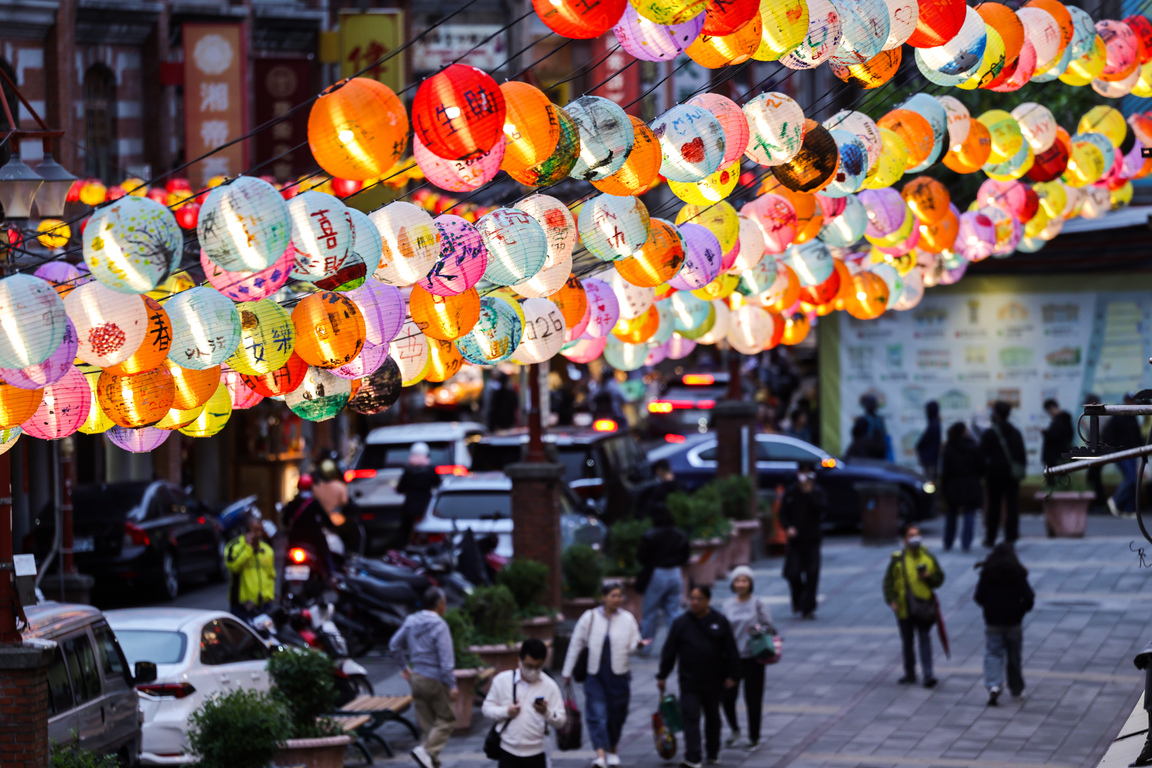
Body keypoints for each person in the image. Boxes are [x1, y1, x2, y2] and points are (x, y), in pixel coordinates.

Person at [562, 582, 649, 768]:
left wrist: (639, 646)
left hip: (619, 675)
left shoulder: (627, 619)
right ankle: (600, 754)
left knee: (617, 715)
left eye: (619, 596)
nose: (617, 599)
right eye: (613, 595)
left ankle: (613, 749)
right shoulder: (590, 617)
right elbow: (576, 644)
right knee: (597, 714)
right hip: (595, 675)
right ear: (604, 597)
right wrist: (566, 671)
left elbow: (632, 647)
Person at [657, 585, 740, 768]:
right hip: (689, 681)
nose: (694, 602)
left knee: (713, 717)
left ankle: (712, 752)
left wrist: (733, 675)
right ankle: (693, 757)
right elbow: (669, 651)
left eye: (699, 599)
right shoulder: (681, 623)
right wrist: (662, 674)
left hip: (714, 680)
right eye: (691, 598)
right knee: (691, 717)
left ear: (708, 601)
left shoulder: (719, 621)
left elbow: (731, 650)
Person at [389, 587, 458, 768]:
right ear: (440, 604)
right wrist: (452, 685)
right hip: (435, 678)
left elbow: (394, 644)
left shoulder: (411, 621)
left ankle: (430, 761)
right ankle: (426, 752)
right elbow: (446, 660)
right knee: (446, 719)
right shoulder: (440, 625)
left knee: (428, 726)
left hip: (417, 677)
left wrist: (404, 668)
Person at [482, 639, 566, 768]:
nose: (532, 671)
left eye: (537, 667)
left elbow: (560, 721)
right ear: (519, 661)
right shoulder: (502, 680)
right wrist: (506, 712)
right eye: (528, 666)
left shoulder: (550, 686)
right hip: (508, 750)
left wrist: (546, 712)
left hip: (537, 752)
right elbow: (487, 709)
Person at [883, 526, 945, 688]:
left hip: (923, 606)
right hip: (904, 608)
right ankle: (910, 673)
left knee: (924, 638)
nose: (914, 538)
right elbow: (888, 582)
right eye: (911, 535)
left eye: (917, 535)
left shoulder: (929, 558)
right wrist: (892, 600)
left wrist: (928, 577)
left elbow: (939, 579)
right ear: (905, 540)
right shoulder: (898, 560)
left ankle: (928, 674)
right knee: (908, 641)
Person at [721, 566, 775, 751]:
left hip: (753, 657)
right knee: (727, 698)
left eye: (745, 580)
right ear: (733, 584)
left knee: (753, 699)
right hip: (732, 659)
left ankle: (754, 737)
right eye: (738, 580)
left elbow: (771, 629)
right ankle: (735, 729)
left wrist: (757, 630)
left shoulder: (758, 603)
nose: (741, 584)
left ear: (750, 583)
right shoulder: (727, 605)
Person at [974, 544, 1034, 706]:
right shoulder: (1018, 574)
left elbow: (978, 596)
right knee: (1014, 656)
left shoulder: (987, 574)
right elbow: (1029, 597)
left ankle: (993, 684)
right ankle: (1016, 689)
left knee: (993, 653)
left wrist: (989, 607)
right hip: (1014, 622)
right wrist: (1021, 611)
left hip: (993, 621)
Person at [637, 502, 690, 651]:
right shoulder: (679, 534)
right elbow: (685, 556)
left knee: (650, 613)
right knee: (674, 611)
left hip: (657, 573)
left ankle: (645, 647)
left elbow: (642, 557)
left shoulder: (650, 535)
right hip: (675, 572)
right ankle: (678, 646)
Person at [778, 462, 827, 619]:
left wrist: (809, 493)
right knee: (792, 573)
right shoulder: (791, 492)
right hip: (796, 541)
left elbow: (823, 509)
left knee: (812, 573)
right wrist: (788, 527)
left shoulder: (817, 491)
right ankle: (799, 600)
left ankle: (808, 607)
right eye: (802, 472)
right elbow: (783, 514)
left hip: (812, 539)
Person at [979, 401, 1026, 547]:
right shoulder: (1016, 432)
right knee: (1012, 506)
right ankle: (1011, 537)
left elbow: (982, 455)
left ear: (996, 414)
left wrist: (983, 472)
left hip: (994, 475)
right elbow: (1021, 455)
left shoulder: (990, 433)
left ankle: (991, 537)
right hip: (1011, 476)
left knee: (994, 507)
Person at [940, 422, 983, 552]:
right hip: (970, 482)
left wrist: (943, 488)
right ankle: (966, 542)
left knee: (951, 512)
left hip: (953, 483)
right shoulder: (972, 446)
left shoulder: (949, 447)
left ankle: (948, 541)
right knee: (969, 512)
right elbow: (980, 467)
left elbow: (945, 470)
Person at [225, 515, 276, 620]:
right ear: (246, 531)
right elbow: (234, 567)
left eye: (261, 530)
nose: (259, 534)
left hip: (264, 607)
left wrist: (269, 597)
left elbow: (271, 576)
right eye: (256, 531)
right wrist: (249, 549)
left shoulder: (267, 550)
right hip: (242, 608)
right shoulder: (234, 546)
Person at [394, 442, 441, 550]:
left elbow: (400, 488)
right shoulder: (430, 470)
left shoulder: (408, 471)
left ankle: (402, 550)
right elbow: (438, 484)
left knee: (404, 530)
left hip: (409, 506)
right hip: (425, 506)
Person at [1105, 394, 1144, 516]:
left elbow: (1138, 437)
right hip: (1120, 453)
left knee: (1134, 480)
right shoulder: (1117, 415)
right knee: (1131, 478)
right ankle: (1115, 500)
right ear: (1125, 401)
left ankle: (1129, 509)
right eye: (1130, 401)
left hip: (1133, 453)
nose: (1133, 404)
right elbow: (1108, 434)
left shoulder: (1133, 417)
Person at [1040, 399, 1074, 479]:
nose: (1049, 414)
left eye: (1049, 411)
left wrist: (1046, 433)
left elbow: (1055, 436)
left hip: (1056, 458)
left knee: (1056, 481)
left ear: (1052, 408)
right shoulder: (1063, 420)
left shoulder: (1060, 421)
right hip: (1058, 457)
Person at [857, 393, 890, 460]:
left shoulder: (863, 420)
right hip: (879, 452)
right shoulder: (880, 419)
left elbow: (856, 435)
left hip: (867, 453)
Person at [915, 401, 942, 482]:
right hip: (930, 458)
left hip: (930, 458)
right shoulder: (934, 423)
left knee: (929, 481)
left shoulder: (934, 423)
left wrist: (919, 445)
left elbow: (926, 439)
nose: (926, 413)